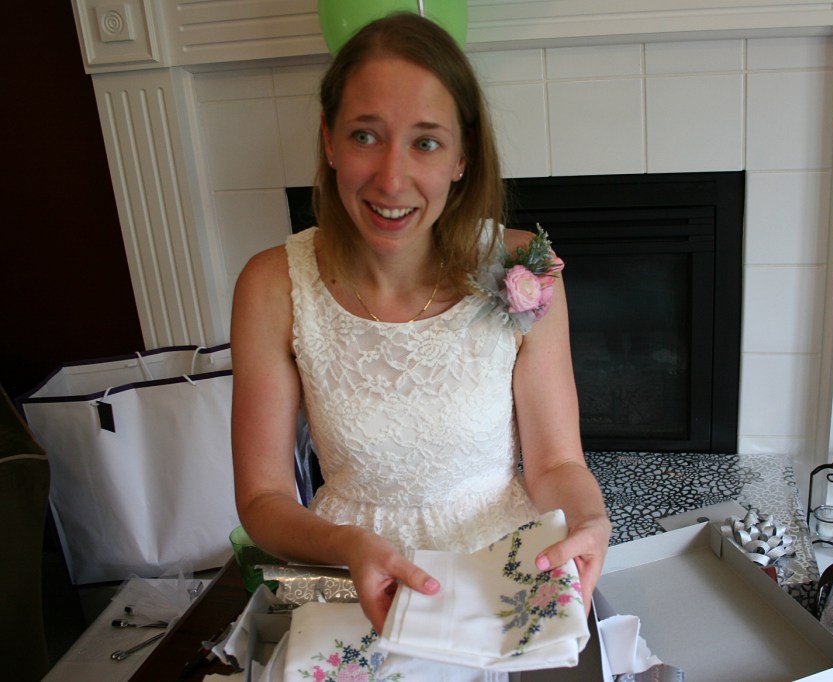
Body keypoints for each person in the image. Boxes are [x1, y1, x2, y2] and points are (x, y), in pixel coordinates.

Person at [230, 12, 610, 635]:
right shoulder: (271, 285)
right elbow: (262, 498)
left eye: (426, 142)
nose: (391, 179)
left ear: (462, 155)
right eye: (365, 136)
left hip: (498, 575)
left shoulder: (525, 267)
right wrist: (346, 543)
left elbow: (555, 464)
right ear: (329, 140)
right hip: (346, 574)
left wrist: (591, 522)